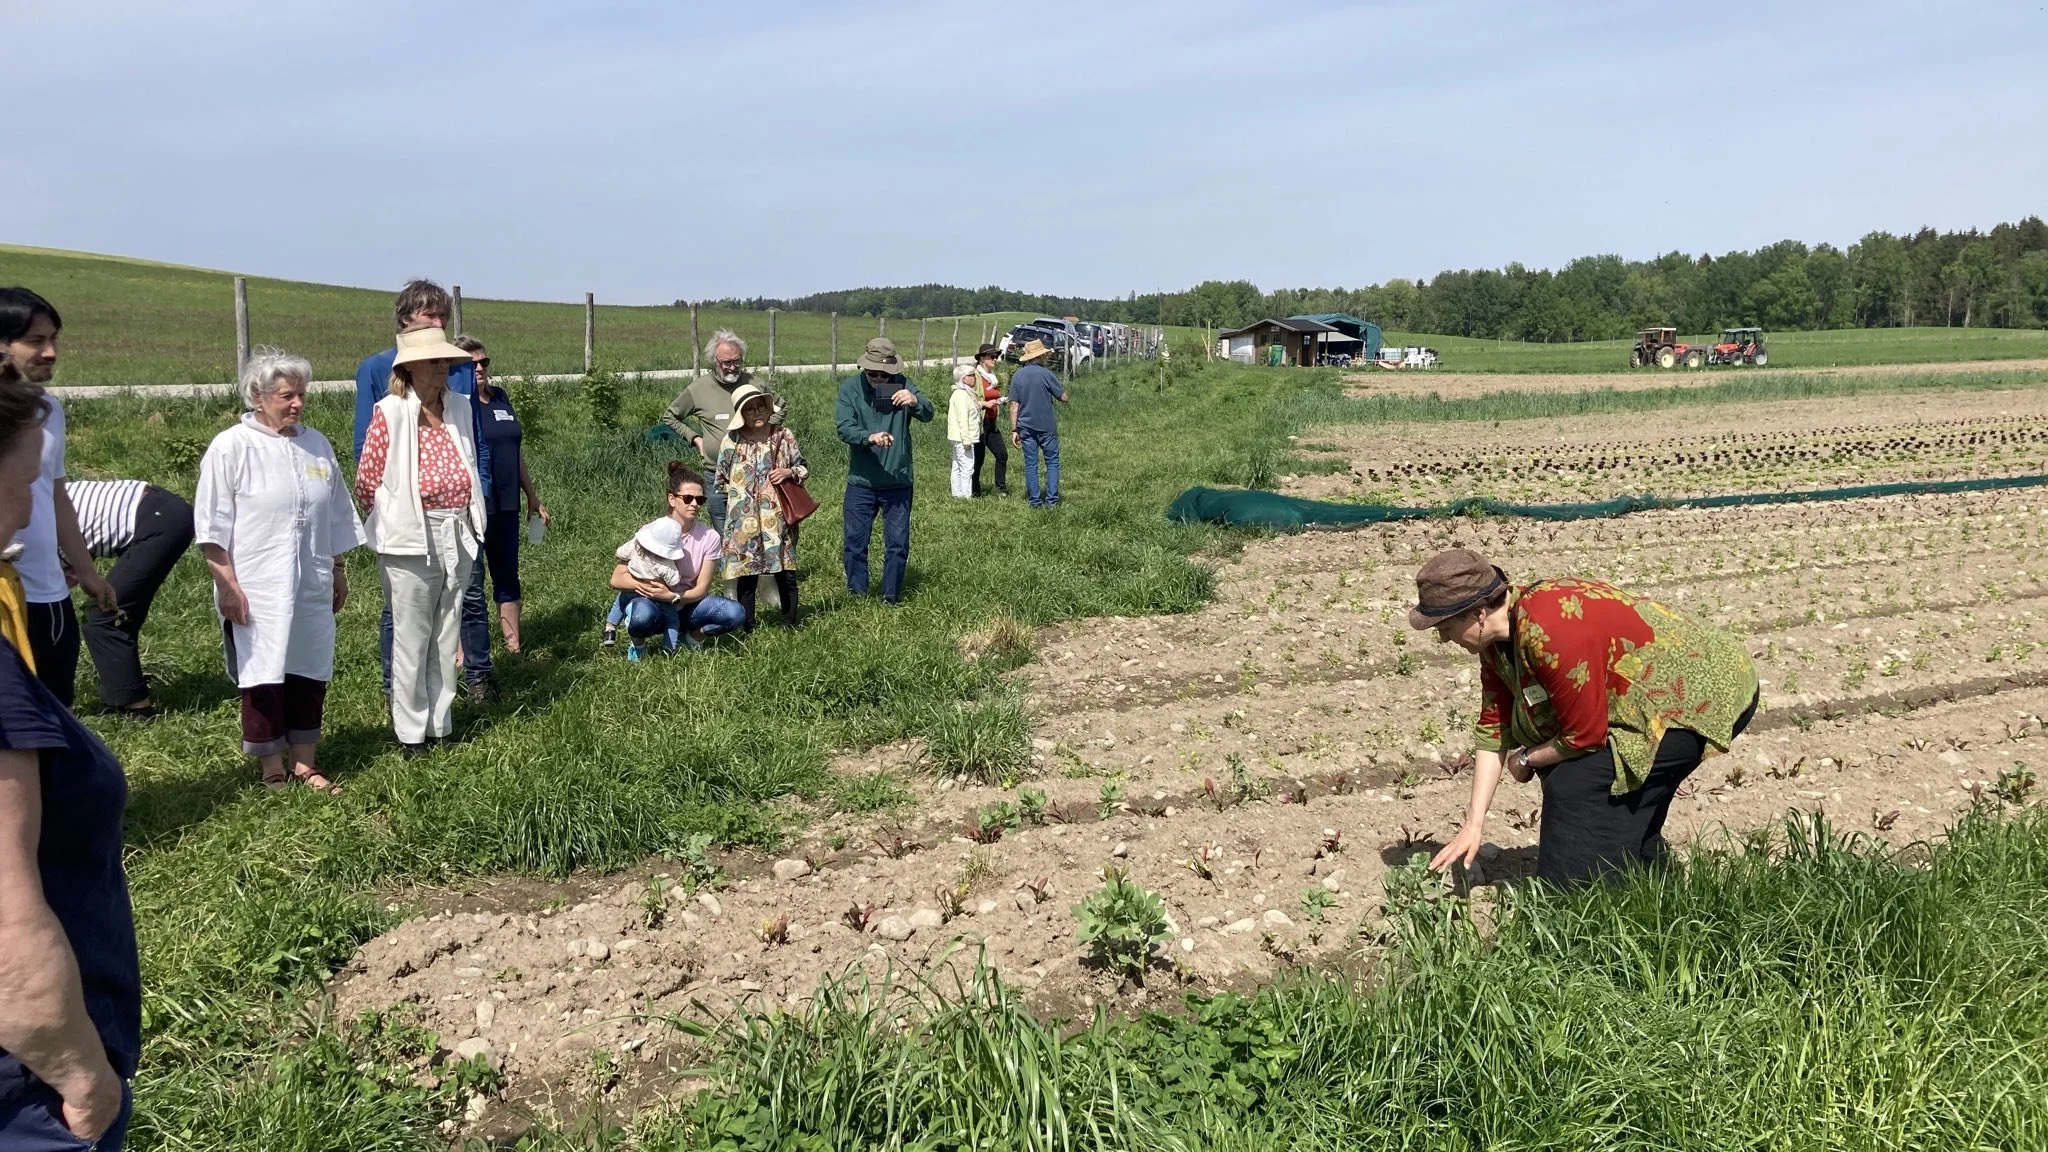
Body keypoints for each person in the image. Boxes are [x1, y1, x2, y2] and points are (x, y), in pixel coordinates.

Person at [1416, 549, 1760, 886]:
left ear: (1477, 613)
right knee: (1583, 776)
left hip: (1701, 696)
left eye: (1444, 627)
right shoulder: (1497, 645)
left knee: (1577, 782)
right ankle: (1639, 870)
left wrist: (1526, 758)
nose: (1444, 639)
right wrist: (1473, 825)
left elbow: (1584, 736)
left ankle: (1578, 898)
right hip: (1647, 699)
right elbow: (1495, 728)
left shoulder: (1548, 629)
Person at [0, 375, 139, 1151]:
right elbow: (6, 926)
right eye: (23, 483)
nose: (28, 510)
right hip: (29, 1089)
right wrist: (83, 1082)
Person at [194, 348, 364, 791]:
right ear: (257, 395)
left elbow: (335, 513)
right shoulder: (232, 447)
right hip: (257, 583)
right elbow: (212, 525)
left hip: (312, 579)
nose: (298, 404)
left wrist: (338, 567)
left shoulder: (316, 444)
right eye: (287, 395)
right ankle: (271, 765)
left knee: (309, 666)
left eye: (301, 395)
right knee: (264, 670)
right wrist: (227, 585)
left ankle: (306, 763)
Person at [349, 280, 495, 700]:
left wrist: (475, 496)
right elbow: (368, 449)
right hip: (408, 517)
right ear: (405, 320)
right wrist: (388, 511)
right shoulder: (377, 369)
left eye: (443, 318)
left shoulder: (459, 366)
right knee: (406, 609)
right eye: (430, 316)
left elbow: (472, 439)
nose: (438, 324)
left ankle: (477, 676)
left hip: (460, 514)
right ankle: (396, 687)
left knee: (466, 596)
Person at [0, 287, 118, 707]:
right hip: (5, 594)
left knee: (54, 718)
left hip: (48, 593)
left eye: (54, 339)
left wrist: (86, 571)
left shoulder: (49, 410)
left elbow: (55, 495)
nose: (50, 352)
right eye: (35, 341)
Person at [70, 480, 196, 719]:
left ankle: (138, 708)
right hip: (158, 511)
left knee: (104, 617)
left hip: (158, 518)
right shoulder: (29, 497)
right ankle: (118, 700)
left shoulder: (23, 521)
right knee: (116, 616)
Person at [455, 337, 547, 656]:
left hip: (507, 504)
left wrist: (532, 497)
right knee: (468, 580)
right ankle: (461, 654)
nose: (479, 368)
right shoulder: (456, 405)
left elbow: (515, 451)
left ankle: (513, 647)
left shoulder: (500, 398)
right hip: (473, 506)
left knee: (507, 574)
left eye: (484, 362)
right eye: (471, 364)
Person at [604, 463, 745, 660]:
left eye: (700, 499)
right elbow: (617, 578)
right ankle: (638, 644)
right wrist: (646, 588)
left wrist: (671, 596)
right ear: (672, 499)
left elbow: (701, 589)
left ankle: (691, 639)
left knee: (735, 613)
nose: (694, 504)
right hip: (650, 603)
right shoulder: (650, 532)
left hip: (686, 605)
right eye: (688, 498)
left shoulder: (709, 537)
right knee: (641, 615)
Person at [833, 337, 931, 605]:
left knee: (898, 544)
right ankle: (858, 597)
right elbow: (844, 427)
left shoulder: (903, 383)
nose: (877, 378)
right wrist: (869, 437)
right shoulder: (850, 389)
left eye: (883, 374)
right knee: (855, 542)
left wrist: (915, 401)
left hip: (898, 479)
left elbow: (929, 413)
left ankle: (891, 596)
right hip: (862, 481)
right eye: (872, 372)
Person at [661, 329, 783, 534]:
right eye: (726, 362)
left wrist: (765, 431)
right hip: (716, 474)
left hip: (754, 473)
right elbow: (670, 416)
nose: (732, 367)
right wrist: (696, 439)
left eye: (737, 361)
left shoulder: (755, 383)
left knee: (755, 529)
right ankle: (727, 565)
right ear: (714, 361)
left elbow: (781, 407)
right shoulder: (699, 389)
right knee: (725, 532)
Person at [713, 384, 808, 630]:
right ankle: (748, 626)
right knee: (747, 574)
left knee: (785, 571)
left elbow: (803, 467)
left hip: (778, 517)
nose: (757, 414)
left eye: (760, 408)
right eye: (750, 410)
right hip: (743, 521)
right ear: (741, 415)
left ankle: (790, 623)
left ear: (768, 409)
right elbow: (721, 479)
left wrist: (788, 471)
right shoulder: (731, 441)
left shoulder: (783, 435)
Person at [1007, 339, 1069, 508]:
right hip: (1046, 426)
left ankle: (1034, 501)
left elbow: (1014, 406)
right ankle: (1051, 500)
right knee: (1052, 461)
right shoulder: (1046, 374)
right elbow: (1063, 397)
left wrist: (1014, 429)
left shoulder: (1017, 376)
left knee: (1031, 464)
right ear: (1041, 356)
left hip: (1025, 426)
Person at [969, 343, 1007, 496]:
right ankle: (974, 490)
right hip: (979, 423)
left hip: (992, 423)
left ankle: (1000, 489)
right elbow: (969, 400)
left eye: (996, 356)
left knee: (1002, 455)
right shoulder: (975, 377)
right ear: (982, 358)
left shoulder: (992, 378)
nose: (995, 359)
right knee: (978, 459)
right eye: (992, 356)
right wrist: (985, 404)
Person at [946, 364, 980, 499]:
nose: (975, 378)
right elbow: (962, 419)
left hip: (958, 436)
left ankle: (957, 494)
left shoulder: (965, 393)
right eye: (972, 375)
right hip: (963, 437)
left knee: (957, 465)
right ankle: (965, 496)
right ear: (964, 378)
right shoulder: (961, 395)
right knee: (967, 467)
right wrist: (966, 439)